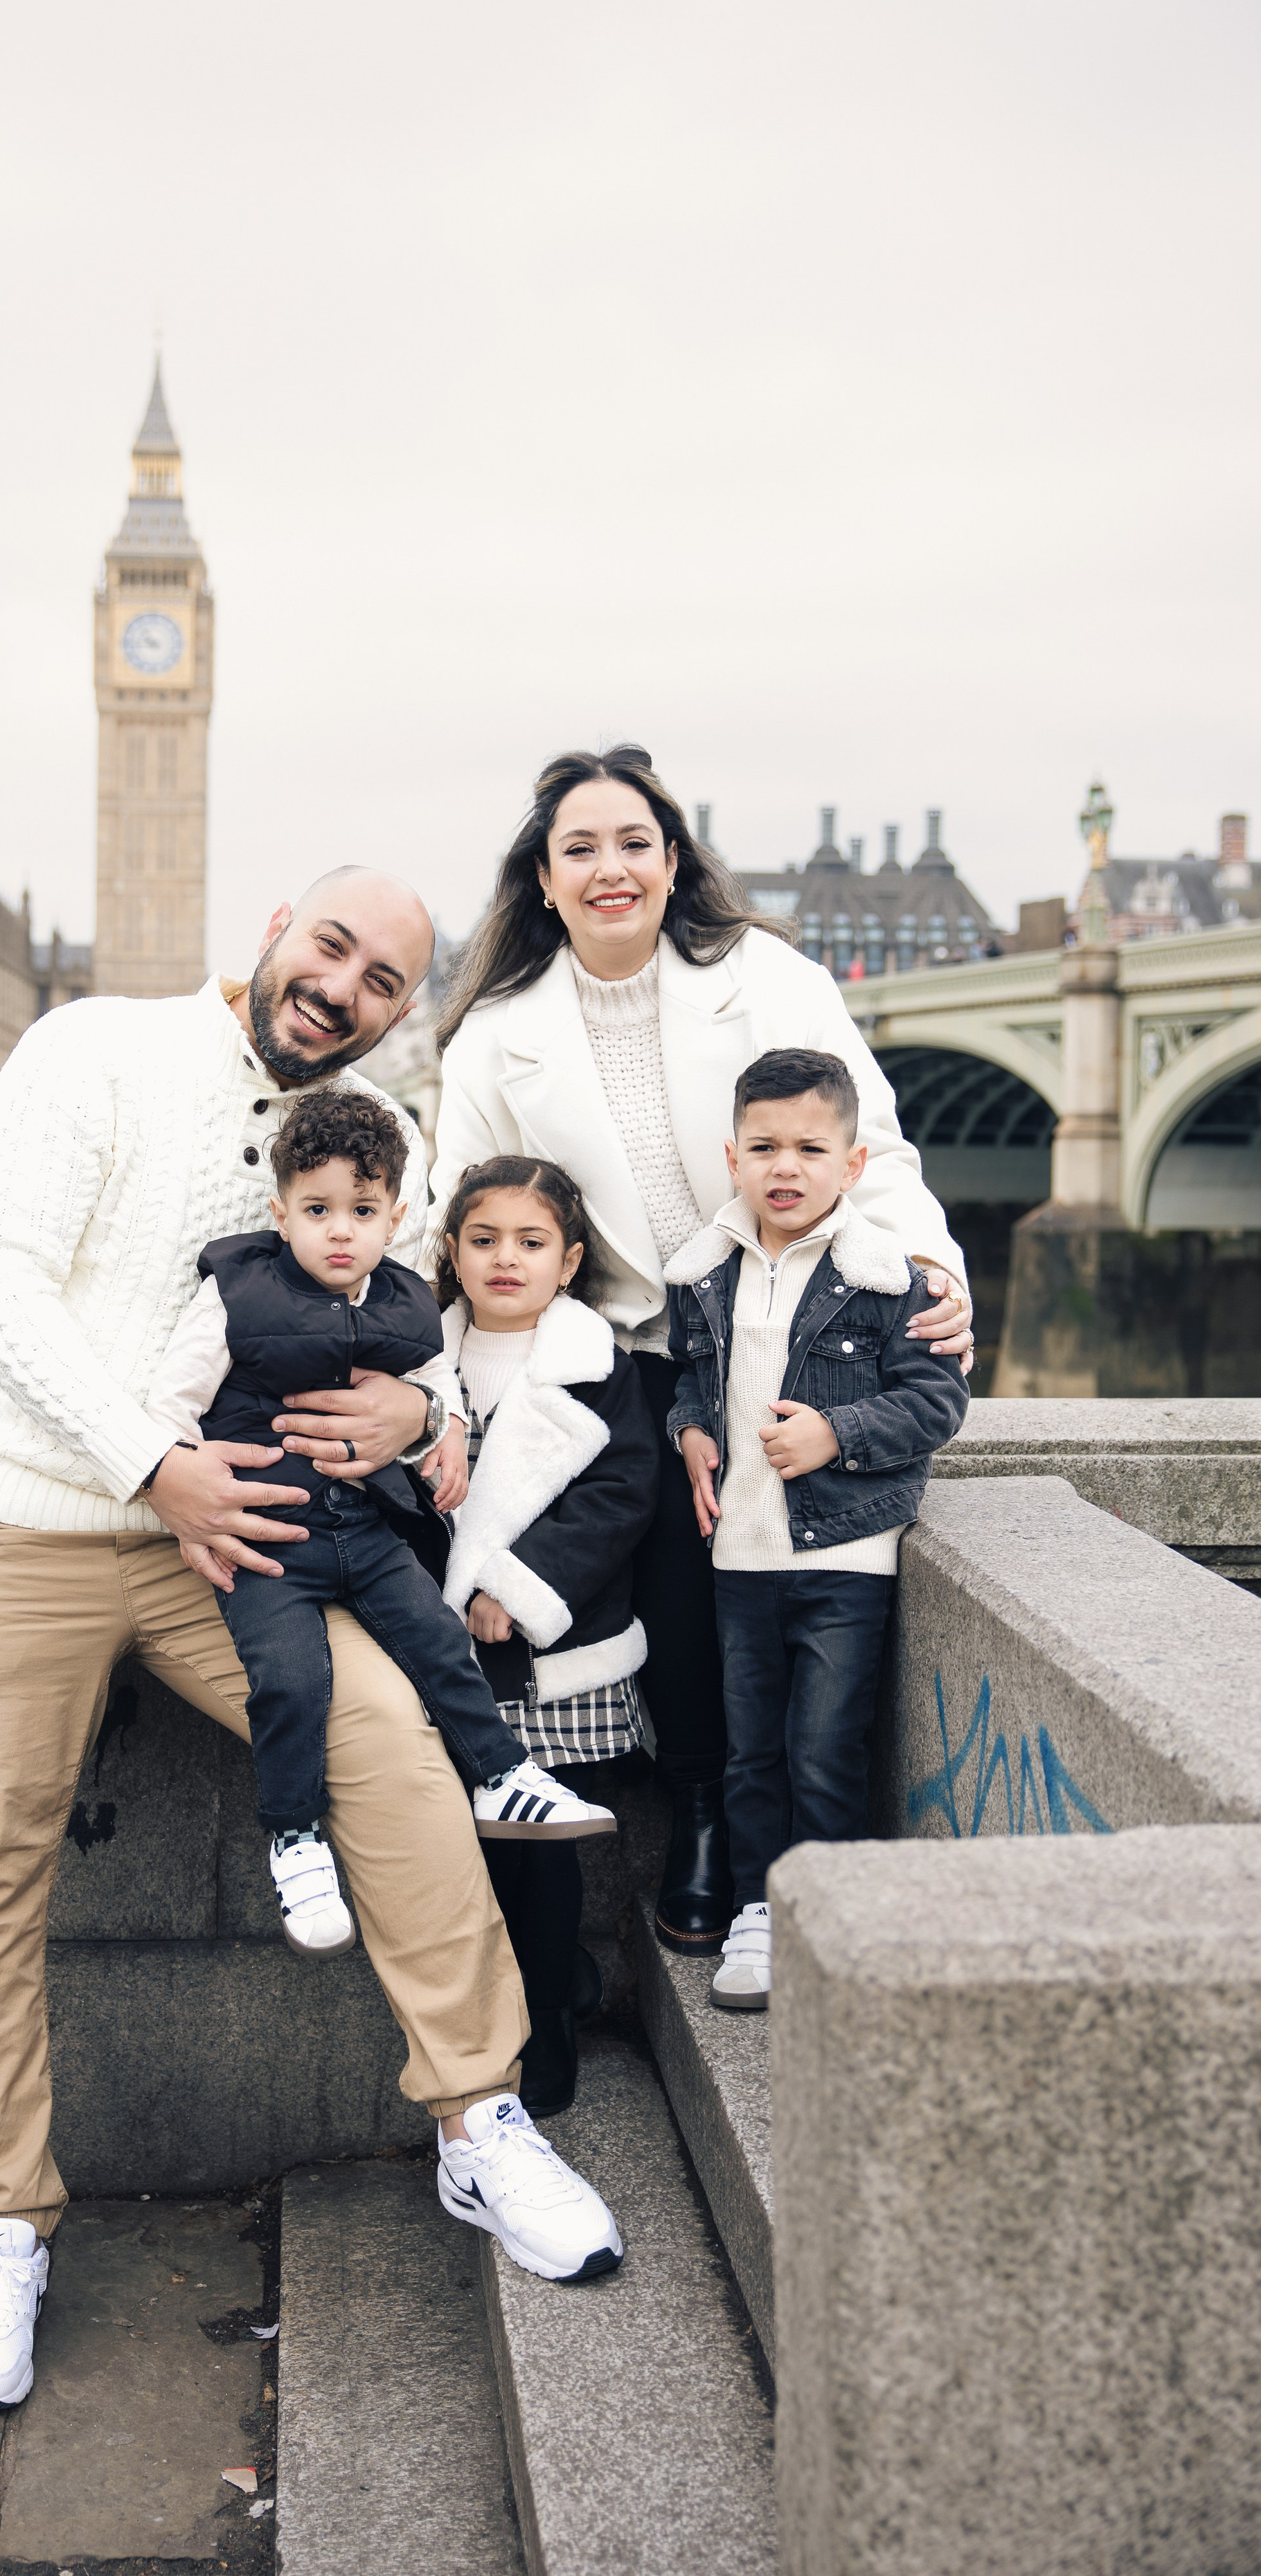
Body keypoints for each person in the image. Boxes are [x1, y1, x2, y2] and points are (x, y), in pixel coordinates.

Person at [0, 867, 625, 2417]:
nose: (343, 988)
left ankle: (479, 2121)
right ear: (277, 927)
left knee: (394, 1749)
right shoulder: (94, 1048)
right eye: (332, 947)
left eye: (384, 981)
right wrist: (147, 1462)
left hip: (231, 1545)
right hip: (12, 1517)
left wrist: (415, 1409)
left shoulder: (377, 1138)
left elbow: (423, 1316)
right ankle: (2, 2226)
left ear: (401, 1013)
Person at [432, 745, 974, 1956]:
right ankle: (704, 1807)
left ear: (674, 862)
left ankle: (732, 1821)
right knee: (679, 1576)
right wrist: (424, 1390)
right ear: (544, 878)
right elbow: (448, 1218)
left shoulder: (769, 979)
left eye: (635, 843)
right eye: (580, 848)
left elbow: (873, 1148)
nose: (611, 868)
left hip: (785, 1329)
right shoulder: (493, 1038)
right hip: (621, 1345)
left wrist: (931, 1275)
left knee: (748, 1580)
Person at [144, 1085, 615, 1958]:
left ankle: (503, 1775)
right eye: (317, 1209)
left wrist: (447, 1430)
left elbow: (435, 1382)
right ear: (280, 1212)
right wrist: (186, 1492)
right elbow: (171, 1401)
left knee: (439, 1642)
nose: (339, 1231)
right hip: (268, 1539)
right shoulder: (237, 1290)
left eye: (361, 1211)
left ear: (395, 1218)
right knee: (290, 1679)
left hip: (366, 1532)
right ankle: (295, 1837)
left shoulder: (403, 1298)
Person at [663, 1047, 972, 2009]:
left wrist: (838, 1432)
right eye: (763, 1147)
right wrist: (690, 1431)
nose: (785, 1167)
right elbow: (691, 1379)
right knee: (750, 1752)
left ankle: (822, 1920)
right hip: (740, 1556)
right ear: (732, 1158)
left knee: (824, 1750)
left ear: (853, 1163)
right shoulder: (703, 1273)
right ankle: (757, 1910)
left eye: (809, 1148)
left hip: (844, 1557)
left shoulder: (889, 1279)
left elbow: (936, 1402)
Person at [425, 1155, 659, 2117]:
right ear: (453, 1251)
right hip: (439, 1642)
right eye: (484, 1240)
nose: (506, 1259)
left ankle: (551, 2018)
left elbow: (620, 1494)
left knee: (538, 1843)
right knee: (461, 1848)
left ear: (567, 1263)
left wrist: (516, 1588)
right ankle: (497, 2015)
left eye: (531, 1242)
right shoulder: (418, 1361)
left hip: (544, 1652)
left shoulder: (596, 1367)